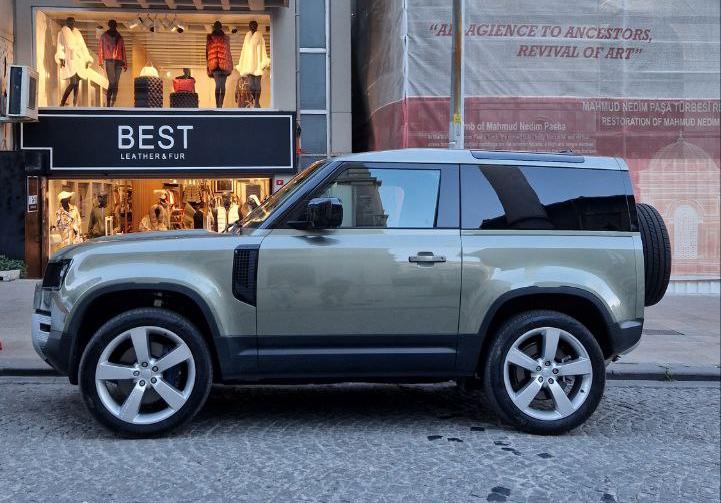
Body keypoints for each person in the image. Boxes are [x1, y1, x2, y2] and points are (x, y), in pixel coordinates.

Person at [55, 17, 93, 107]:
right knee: (73, 82)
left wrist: (87, 59)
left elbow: (83, 47)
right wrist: (61, 57)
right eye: (70, 22)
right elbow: (60, 46)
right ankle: (62, 102)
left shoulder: (78, 33)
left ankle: (75, 103)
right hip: (70, 58)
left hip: (80, 59)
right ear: (67, 22)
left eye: (73, 22)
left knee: (77, 83)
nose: (71, 24)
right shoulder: (62, 33)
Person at [237, 20, 270, 108]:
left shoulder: (259, 36)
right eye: (251, 25)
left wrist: (263, 62)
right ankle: (256, 101)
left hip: (258, 64)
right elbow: (244, 51)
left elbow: (263, 50)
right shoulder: (247, 37)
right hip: (249, 65)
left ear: (256, 26)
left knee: (257, 85)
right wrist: (242, 63)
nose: (252, 27)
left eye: (254, 25)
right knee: (251, 86)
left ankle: (257, 102)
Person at [98, 20, 127, 107]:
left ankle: (113, 101)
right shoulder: (104, 36)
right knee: (112, 82)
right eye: (111, 25)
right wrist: (100, 61)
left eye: (114, 25)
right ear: (109, 25)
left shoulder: (120, 37)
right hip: (109, 60)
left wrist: (125, 63)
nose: (113, 26)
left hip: (119, 61)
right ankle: (108, 103)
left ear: (116, 26)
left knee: (116, 83)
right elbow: (100, 48)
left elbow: (123, 50)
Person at [206, 21, 233, 108]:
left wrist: (230, 65)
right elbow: (207, 53)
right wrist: (208, 66)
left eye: (218, 26)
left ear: (220, 27)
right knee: (218, 85)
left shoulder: (225, 38)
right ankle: (218, 105)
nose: (217, 28)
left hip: (224, 65)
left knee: (223, 86)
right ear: (214, 27)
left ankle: (220, 104)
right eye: (216, 26)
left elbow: (228, 52)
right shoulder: (210, 39)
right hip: (215, 66)